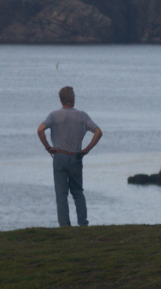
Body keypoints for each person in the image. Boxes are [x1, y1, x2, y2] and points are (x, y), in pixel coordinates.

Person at [37, 86, 103, 227]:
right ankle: (83, 224)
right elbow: (98, 132)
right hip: (76, 157)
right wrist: (87, 150)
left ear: (61, 100)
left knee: (61, 194)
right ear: (72, 99)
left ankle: (65, 226)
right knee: (78, 192)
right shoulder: (82, 116)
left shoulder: (54, 115)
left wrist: (48, 147)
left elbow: (40, 130)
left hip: (59, 156)